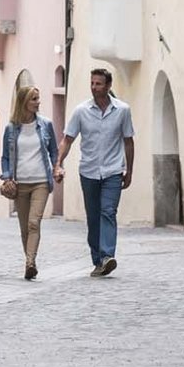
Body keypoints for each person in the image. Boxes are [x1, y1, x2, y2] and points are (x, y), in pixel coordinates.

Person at [54, 67, 134, 276]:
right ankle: (97, 260)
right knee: (93, 217)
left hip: (113, 171)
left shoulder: (123, 110)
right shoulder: (81, 111)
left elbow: (128, 141)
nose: (94, 87)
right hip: (88, 171)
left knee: (108, 211)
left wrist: (129, 171)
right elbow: (67, 140)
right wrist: (58, 163)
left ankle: (107, 256)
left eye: (98, 84)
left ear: (108, 85)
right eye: (92, 83)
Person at [0, 84, 58, 280]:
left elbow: (54, 152)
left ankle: (30, 263)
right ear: (23, 102)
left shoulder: (46, 124)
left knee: (34, 223)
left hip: (41, 182)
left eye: (38, 98)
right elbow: (5, 157)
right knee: (24, 228)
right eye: (34, 99)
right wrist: (7, 177)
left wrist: (57, 168)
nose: (38, 102)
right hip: (20, 184)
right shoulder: (11, 129)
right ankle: (30, 262)